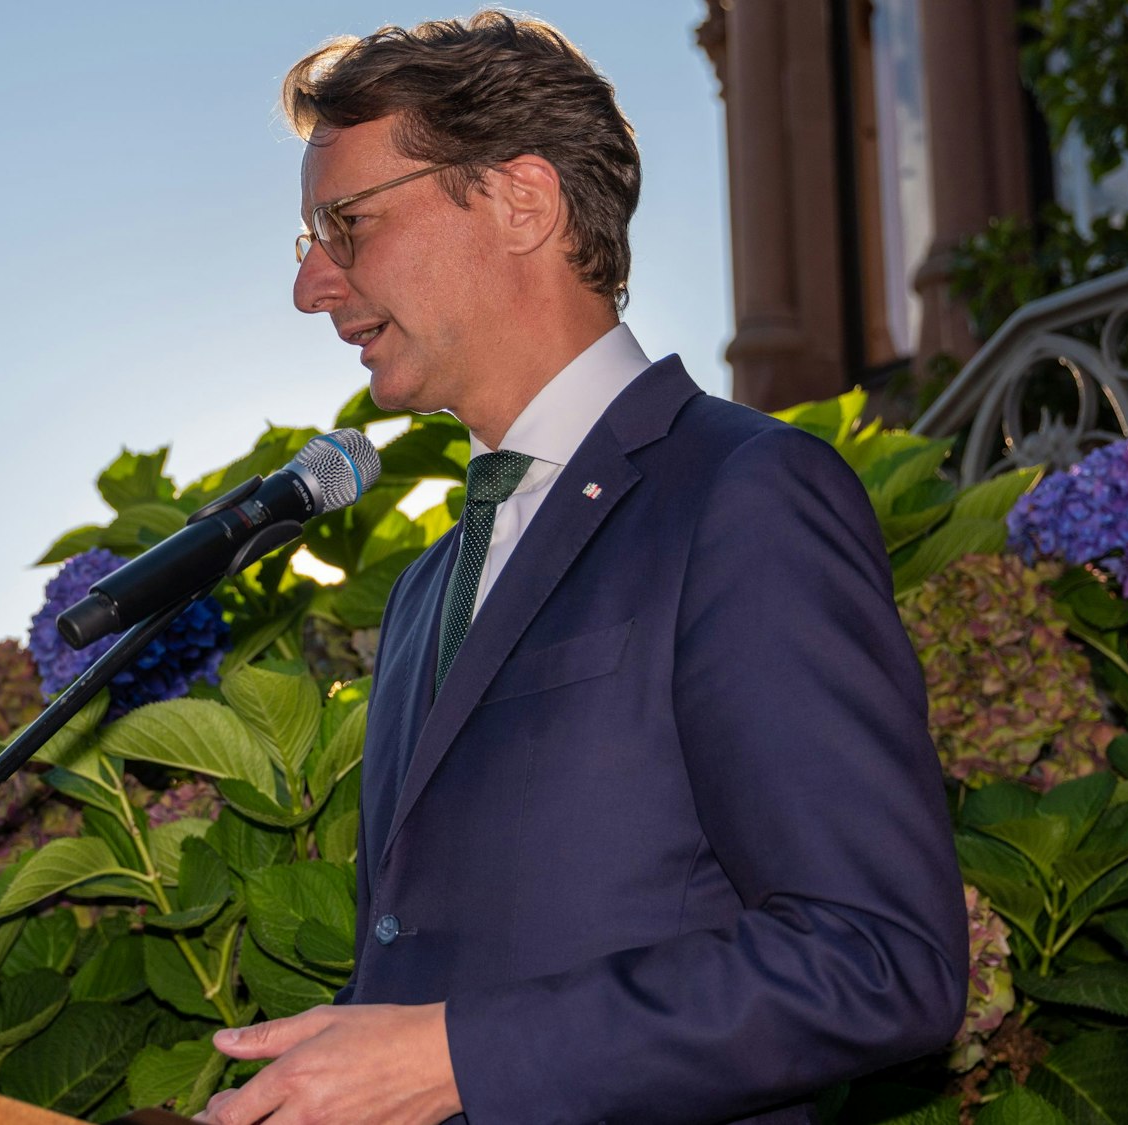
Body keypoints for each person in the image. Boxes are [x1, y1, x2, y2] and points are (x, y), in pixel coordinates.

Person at [203, 14, 966, 1124]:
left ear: (522, 201)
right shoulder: (425, 591)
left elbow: (875, 958)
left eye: (346, 224)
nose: (312, 287)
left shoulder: (740, 493)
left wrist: (456, 1059)